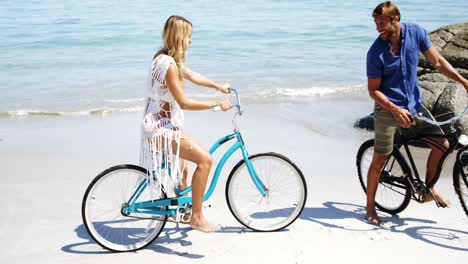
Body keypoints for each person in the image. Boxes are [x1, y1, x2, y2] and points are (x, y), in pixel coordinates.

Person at [365, 1, 468, 225]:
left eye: (382, 23)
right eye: (376, 23)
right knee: (380, 159)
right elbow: (373, 90)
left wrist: (463, 81)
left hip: (413, 104)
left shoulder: (416, 33)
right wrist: (395, 109)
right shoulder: (375, 52)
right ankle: (370, 207)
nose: (378, 28)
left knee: (442, 145)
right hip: (387, 108)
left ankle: (427, 190)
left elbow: (438, 61)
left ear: (396, 19)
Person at [140, 15, 232, 232]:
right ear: (180, 37)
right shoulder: (168, 65)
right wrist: (215, 105)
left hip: (161, 123)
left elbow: (192, 75)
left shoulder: (164, 57)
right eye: (189, 36)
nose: (191, 41)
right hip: (159, 128)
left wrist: (217, 86)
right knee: (205, 160)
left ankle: (183, 213)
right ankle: (197, 218)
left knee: (182, 172)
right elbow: (183, 102)